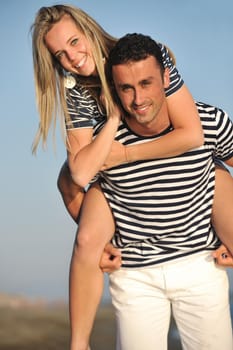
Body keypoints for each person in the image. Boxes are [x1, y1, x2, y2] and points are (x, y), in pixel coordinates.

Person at [30, 5, 233, 350]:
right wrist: (111, 122)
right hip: (109, 170)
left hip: (153, 159)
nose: (74, 58)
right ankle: (79, 342)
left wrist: (126, 153)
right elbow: (77, 175)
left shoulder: (138, 56)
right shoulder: (75, 91)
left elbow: (192, 134)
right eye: (60, 54)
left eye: (76, 43)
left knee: (213, 170)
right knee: (74, 199)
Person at [87, 32, 233, 349]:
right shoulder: (104, 139)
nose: (138, 99)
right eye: (126, 88)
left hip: (201, 266)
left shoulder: (208, 121)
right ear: (114, 88)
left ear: (167, 77)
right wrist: (95, 244)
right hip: (134, 275)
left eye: (146, 84)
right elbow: (71, 183)